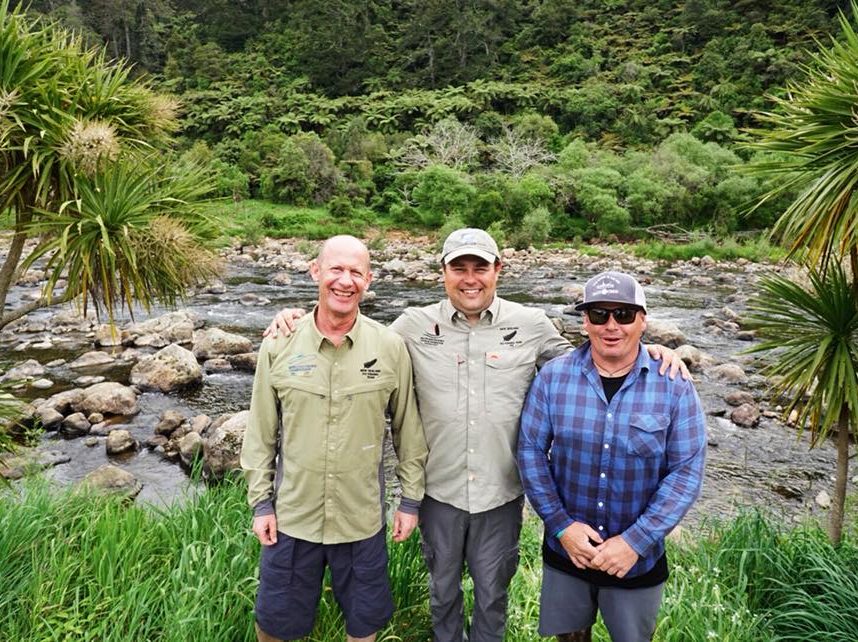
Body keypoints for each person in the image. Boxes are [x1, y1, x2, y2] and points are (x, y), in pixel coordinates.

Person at [264, 229, 688, 642]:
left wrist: (647, 348)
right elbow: (355, 339)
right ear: (443, 273)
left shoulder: (531, 324)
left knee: (492, 596)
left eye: (480, 267)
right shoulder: (411, 325)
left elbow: (587, 362)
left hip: (499, 495)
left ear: (498, 270)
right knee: (442, 592)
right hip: (439, 492)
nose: (470, 278)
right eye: (459, 268)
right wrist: (294, 318)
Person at [241, 235, 428, 642]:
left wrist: (409, 500)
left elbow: (407, 432)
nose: (345, 281)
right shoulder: (279, 343)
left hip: (361, 522)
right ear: (315, 272)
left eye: (356, 272)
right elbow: (260, 434)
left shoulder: (390, 347)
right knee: (274, 627)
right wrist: (261, 504)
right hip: (292, 519)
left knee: (364, 627)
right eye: (336, 270)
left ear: (369, 279)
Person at [517, 271, 707, 642]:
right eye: (599, 314)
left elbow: (686, 471)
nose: (611, 325)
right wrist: (561, 525)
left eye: (623, 314)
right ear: (585, 321)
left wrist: (635, 541)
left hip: (637, 563)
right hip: (566, 554)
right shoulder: (553, 379)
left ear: (642, 320)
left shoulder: (674, 386)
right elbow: (531, 451)